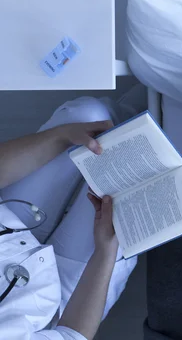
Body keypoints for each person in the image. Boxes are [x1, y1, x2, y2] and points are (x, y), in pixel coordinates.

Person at [0, 90, 145, 339]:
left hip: (10, 228)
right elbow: (73, 335)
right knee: (131, 191)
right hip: (57, 306)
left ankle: (137, 108)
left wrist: (61, 136)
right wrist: (105, 251)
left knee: (88, 117)